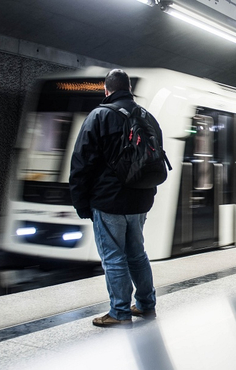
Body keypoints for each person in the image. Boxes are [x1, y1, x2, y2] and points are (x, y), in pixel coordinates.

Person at [69, 69, 160, 328]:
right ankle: (146, 305)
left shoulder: (99, 116)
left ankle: (119, 312)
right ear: (129, 89)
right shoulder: (147, 117)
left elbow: (81, 163)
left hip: (109, 201)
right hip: (140, 201)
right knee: (137, 254)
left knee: (113, 257)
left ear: (106, 90)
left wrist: (81, 202)